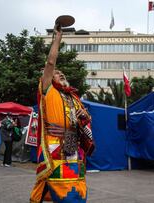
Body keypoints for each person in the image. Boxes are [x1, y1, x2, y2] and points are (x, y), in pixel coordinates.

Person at [30, 23, 94, 203]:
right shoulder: (48, 90)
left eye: (62, 73)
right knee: (57, 187)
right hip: (54, 148)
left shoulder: (74, 96)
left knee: (76, 190)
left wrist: (84, 119)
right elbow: (51, 62)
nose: (60, 73)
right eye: (57, 73)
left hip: (74, 149)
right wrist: (57, 39)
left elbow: (86, 122)